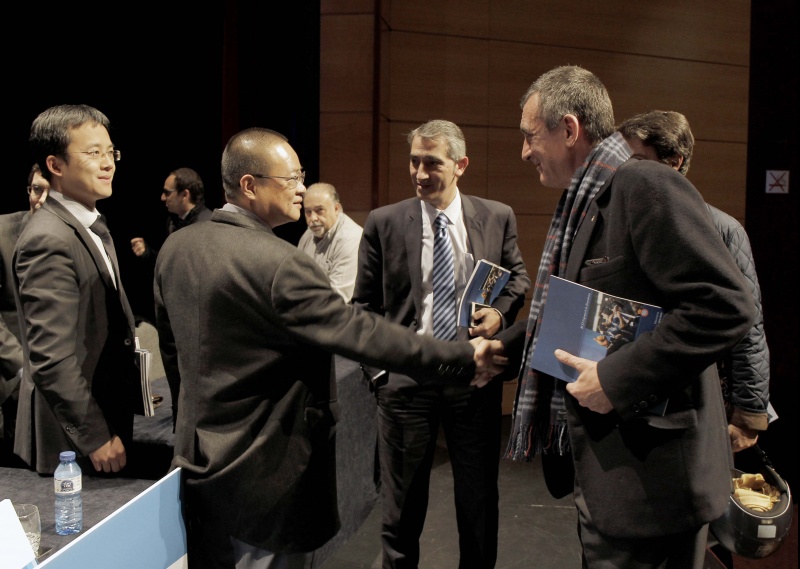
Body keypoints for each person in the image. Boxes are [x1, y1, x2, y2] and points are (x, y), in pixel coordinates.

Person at [153, 126, 506, 569]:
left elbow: (175, 355)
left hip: (196, 467)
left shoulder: (175, 248)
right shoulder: (279, 262)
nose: (302, 189)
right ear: (249, 185)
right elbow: (359, 331)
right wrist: (461, 356)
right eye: (291, 179)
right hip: (268, 480)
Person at [495, 66, 755, 568]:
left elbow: (724, 305)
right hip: (612, 481)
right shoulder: (586, 201)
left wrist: (615, 379)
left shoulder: (645, 185)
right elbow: (582, 311)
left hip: (654, 490)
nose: (525, 152)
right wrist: (506, 346)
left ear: (569, 129)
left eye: (530, 135)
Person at [351, 119, 531, 569]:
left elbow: (517, 278)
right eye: (414, 161)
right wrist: (380, 374)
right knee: (401, 512)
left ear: (460, 165)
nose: (419, 173)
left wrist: (499, 313)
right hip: (406, 383)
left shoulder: (497, 216)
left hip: (474, 378)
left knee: (478, 503)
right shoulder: (384, 222)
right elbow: (363, 307)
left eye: (432, 163)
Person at [616, 109, 771, 453]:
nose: (624, 171)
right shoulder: (619, 221)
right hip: (632, 394)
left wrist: (748, 413)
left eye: (637, 160)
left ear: (673, 162)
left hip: (698, 400)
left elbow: (748, 327)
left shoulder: (722, 230)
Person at [13, 104, 142, 476]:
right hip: (73, 440)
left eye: (111, 152)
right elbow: (51, 358)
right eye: (93, 153)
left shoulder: (88, 223)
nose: (108, 164)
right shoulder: (48, 238)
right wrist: (94, 436)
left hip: (103, 410)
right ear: (55, 165)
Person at [0, 164, 49, 467]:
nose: (41, 199)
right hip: (17, 377)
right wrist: (20, 367)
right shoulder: (2, 232)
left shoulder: (83, 234)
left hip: (64, 378)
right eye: (36, 190)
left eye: (49, 192)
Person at [297, 182, 363, 301]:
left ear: (336, 209)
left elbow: (338, 297)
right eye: (308, 212)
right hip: (312, 306)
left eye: (319, 210)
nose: (313, 218)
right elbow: (296, 279)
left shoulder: (351, 238)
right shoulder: (308, 234)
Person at [130, 167, 211, 260]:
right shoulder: (173, 221)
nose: (162, 197)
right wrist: (148, 253)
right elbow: (173, 262)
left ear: (185, 194)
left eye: (167, 193)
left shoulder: (206, 226)